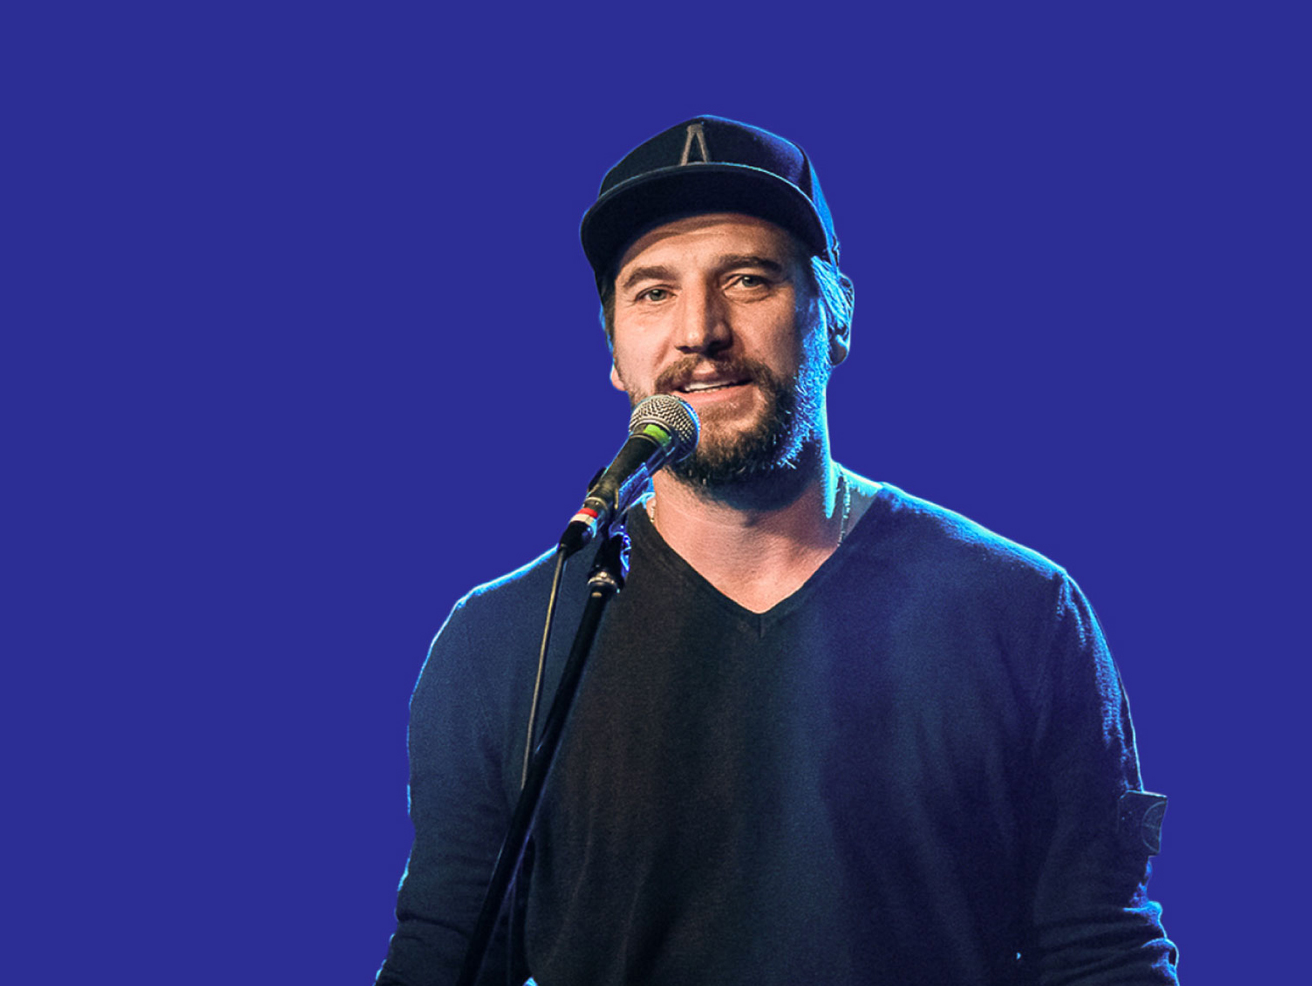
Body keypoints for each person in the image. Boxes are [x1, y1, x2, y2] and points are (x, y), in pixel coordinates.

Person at [375, 115, 1178, 985]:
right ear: (614, 351)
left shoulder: (1016, 612)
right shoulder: (500, 644)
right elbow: (442, 960)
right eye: (652, 292)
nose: (699, 331)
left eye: (748, 280)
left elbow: (1103, 955)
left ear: (835, 317)